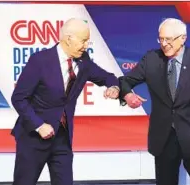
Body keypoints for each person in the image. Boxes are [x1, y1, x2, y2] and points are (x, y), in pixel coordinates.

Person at [11, 18, 119, 185]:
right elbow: (18, 98)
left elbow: (107, 77)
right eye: (83, 41)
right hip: (33, 137)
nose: (86, 45)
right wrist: (39, 125)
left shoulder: (84, 61)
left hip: (62, 139)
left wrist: (114, 87)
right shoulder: (40, 61)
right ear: (69, 38)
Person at [119, 18, 190, 185]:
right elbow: (125, 81)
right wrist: (128, 95)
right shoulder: (151, 59)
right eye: (161, 39)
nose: (164, 44)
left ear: (183, 38)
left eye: (169, 39)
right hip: (163, 138)